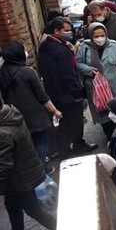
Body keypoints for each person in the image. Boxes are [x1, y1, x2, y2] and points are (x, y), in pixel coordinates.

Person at [0, 92, 56, 230]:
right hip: (22, 174)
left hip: (19, 178)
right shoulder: (11, 114)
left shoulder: (0, 133)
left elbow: (3, 164)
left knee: (33, 209)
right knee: (12, 205)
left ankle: (61, 228)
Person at [38, 17, 97, 156]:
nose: (70, 33)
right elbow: (68, 74)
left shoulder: (45, 46)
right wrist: (77, 93)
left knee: (66, 122)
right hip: (67, 94)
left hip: (55, 92)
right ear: (56, 31)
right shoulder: (61, 51)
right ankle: (73, 146)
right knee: (74, 121)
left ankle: (66, 147)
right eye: (66, 30)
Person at [0, 41, 61, 167]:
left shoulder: (2, 73)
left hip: (16, 117)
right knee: (41, 144)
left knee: (29, 146)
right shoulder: (27, 72)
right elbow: (42, 96)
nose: (26, 52)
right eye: (24, 49)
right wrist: (54, 111)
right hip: (36, 116)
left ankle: (37, 170)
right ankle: (40, 171)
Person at [76, 22, 116, 141]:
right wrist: (88, 69)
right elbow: (78, 63)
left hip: (114, 88)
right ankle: (111, 139)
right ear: (91, 36)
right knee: (104, 117)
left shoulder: (114, 46)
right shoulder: (84, 48)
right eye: (96, 36)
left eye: (102, 35)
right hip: (96, 89)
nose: (99, 38)